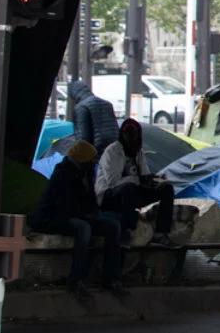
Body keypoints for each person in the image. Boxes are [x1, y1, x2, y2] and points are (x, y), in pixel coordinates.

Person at [28, 140, 124, 300]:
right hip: (52, 217)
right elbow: (66, 207)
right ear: (83, 160)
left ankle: (111, 278)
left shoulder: (85, 174)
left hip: (77, 214)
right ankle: (76, 280)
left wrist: (94, 214)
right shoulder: (63, 173)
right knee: (83, 228)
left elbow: (90, 201)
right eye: (91, 160)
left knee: (113, 226)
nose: (94, 163)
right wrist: (88, 216)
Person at [96, 119, 178, 247]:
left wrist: (154, 180)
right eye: (127, 133)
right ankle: (128, 231)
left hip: (132, 192)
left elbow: (144, 175)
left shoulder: (138, 151)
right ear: (122, 134)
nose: (130, 137)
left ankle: (161, 233)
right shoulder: (112, 151)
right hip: (109, 196)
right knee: (129, 188)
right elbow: (113, 182)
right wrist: (137, 179)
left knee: (167, 188)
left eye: (133, 134)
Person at [68, 80, 120, 154]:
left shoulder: (81, 107)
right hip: (113, 150)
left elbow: (83, 138)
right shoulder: (107, 104)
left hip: (96, 152)